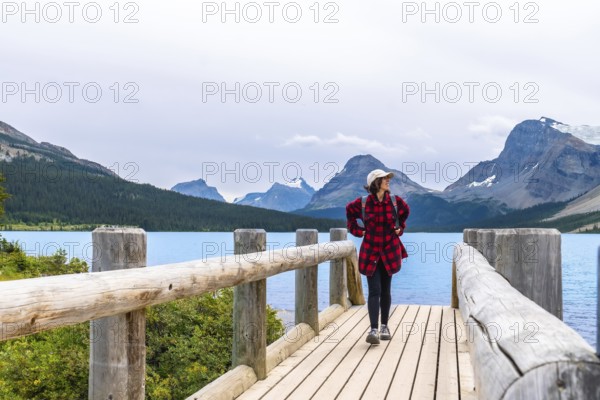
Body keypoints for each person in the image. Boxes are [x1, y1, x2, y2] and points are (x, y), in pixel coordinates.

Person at [346, 169, 410, 345]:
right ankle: (373, 329)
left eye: (388, 178)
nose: (388, 181)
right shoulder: (363, 203)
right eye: (384, 178)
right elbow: (349, 213)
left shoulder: (395, 202)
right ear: (376, 182)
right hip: (370, 251)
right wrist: (358, 231)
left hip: (389, 250)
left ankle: (384, 327)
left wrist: (400, 227)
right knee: (374, 291)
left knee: (386, 291)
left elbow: (406, 212)